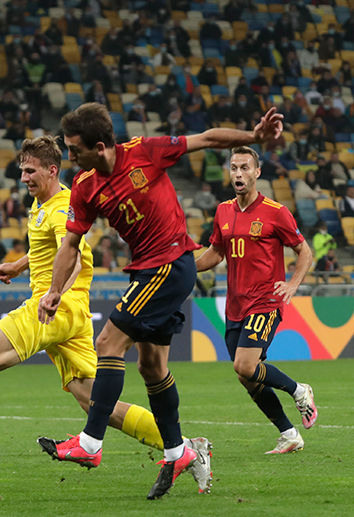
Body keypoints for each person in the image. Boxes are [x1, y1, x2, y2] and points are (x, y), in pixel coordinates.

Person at [0, 139, 210, 488]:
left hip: (54, 308)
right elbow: (52, 249)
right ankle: (185, 447)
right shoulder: (43, 204)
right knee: (89, 396)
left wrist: (54, 294)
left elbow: (73, 254)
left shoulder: (61, 207)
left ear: (51, 170)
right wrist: (19, 265)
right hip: (71, 313)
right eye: (21, 170)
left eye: (30, 171)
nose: (23, 177)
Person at [39, 103, 283, 499]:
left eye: (74, 149)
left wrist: (254, 138)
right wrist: (54, 289)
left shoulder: (145, 152)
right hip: (147, 271)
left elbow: (205, 139)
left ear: (100, 146)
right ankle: (178, 451)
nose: (69, 157)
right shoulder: (85, 186)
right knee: (152, 367)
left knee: (107, 344)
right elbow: (70, 243)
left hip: (171, 264)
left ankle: (90, 443)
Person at [195, 146, 317, 454]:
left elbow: (305, 251)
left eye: (245, 168)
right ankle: (289, 434)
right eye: (234, 168)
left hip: (264, 302)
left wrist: (293, 283)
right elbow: (217, 253)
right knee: (246, 376)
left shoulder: (276, 211)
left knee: (245, 365)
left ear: (257, 172)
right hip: (234, 306)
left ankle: (299, 390)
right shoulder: (223, 211)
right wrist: (185, 266)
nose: (238, 174)